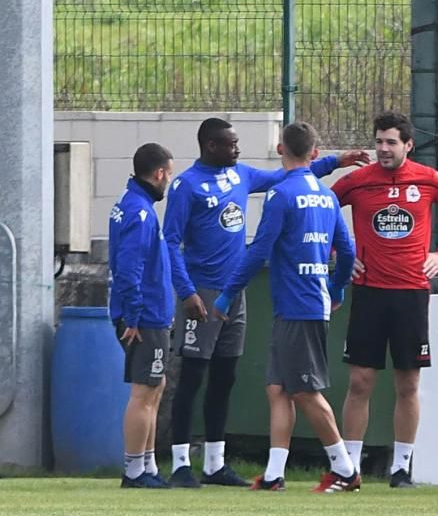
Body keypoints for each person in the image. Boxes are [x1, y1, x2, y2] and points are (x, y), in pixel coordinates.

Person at [163, 117, 366, 488]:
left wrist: (334, 162)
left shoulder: (242, 175)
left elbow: (290, 174)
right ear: (211, 146)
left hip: (235, 294)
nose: (238, 149)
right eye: (231, 143)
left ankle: (215, 463)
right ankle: (179, 464)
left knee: (226, 378)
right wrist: (186, 290)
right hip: (203, 292)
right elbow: (170, 241)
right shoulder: (186, 185)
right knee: (192, 377)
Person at [332, 111, 438, 488]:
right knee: (360, 381)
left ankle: (401, 468)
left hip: (411, 293)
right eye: (378, 141)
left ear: (408, 145)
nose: (383, 149)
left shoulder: (426, 179)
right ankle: (350, 468)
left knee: (408, 383)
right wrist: (341, 256)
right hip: (370, 292)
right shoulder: (358, 181)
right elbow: (322, 211)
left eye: (391, 142)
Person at [109, 143, 175, 488]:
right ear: (159, 173)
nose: (168, 182)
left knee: (156, 384)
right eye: (169, 174)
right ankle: (134, 470)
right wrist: (133, 316)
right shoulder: (141, 213)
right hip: (144, 316)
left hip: (149, 313)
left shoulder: (130, 203)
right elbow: (129, 269)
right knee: (144, 390)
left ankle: (147, 465)